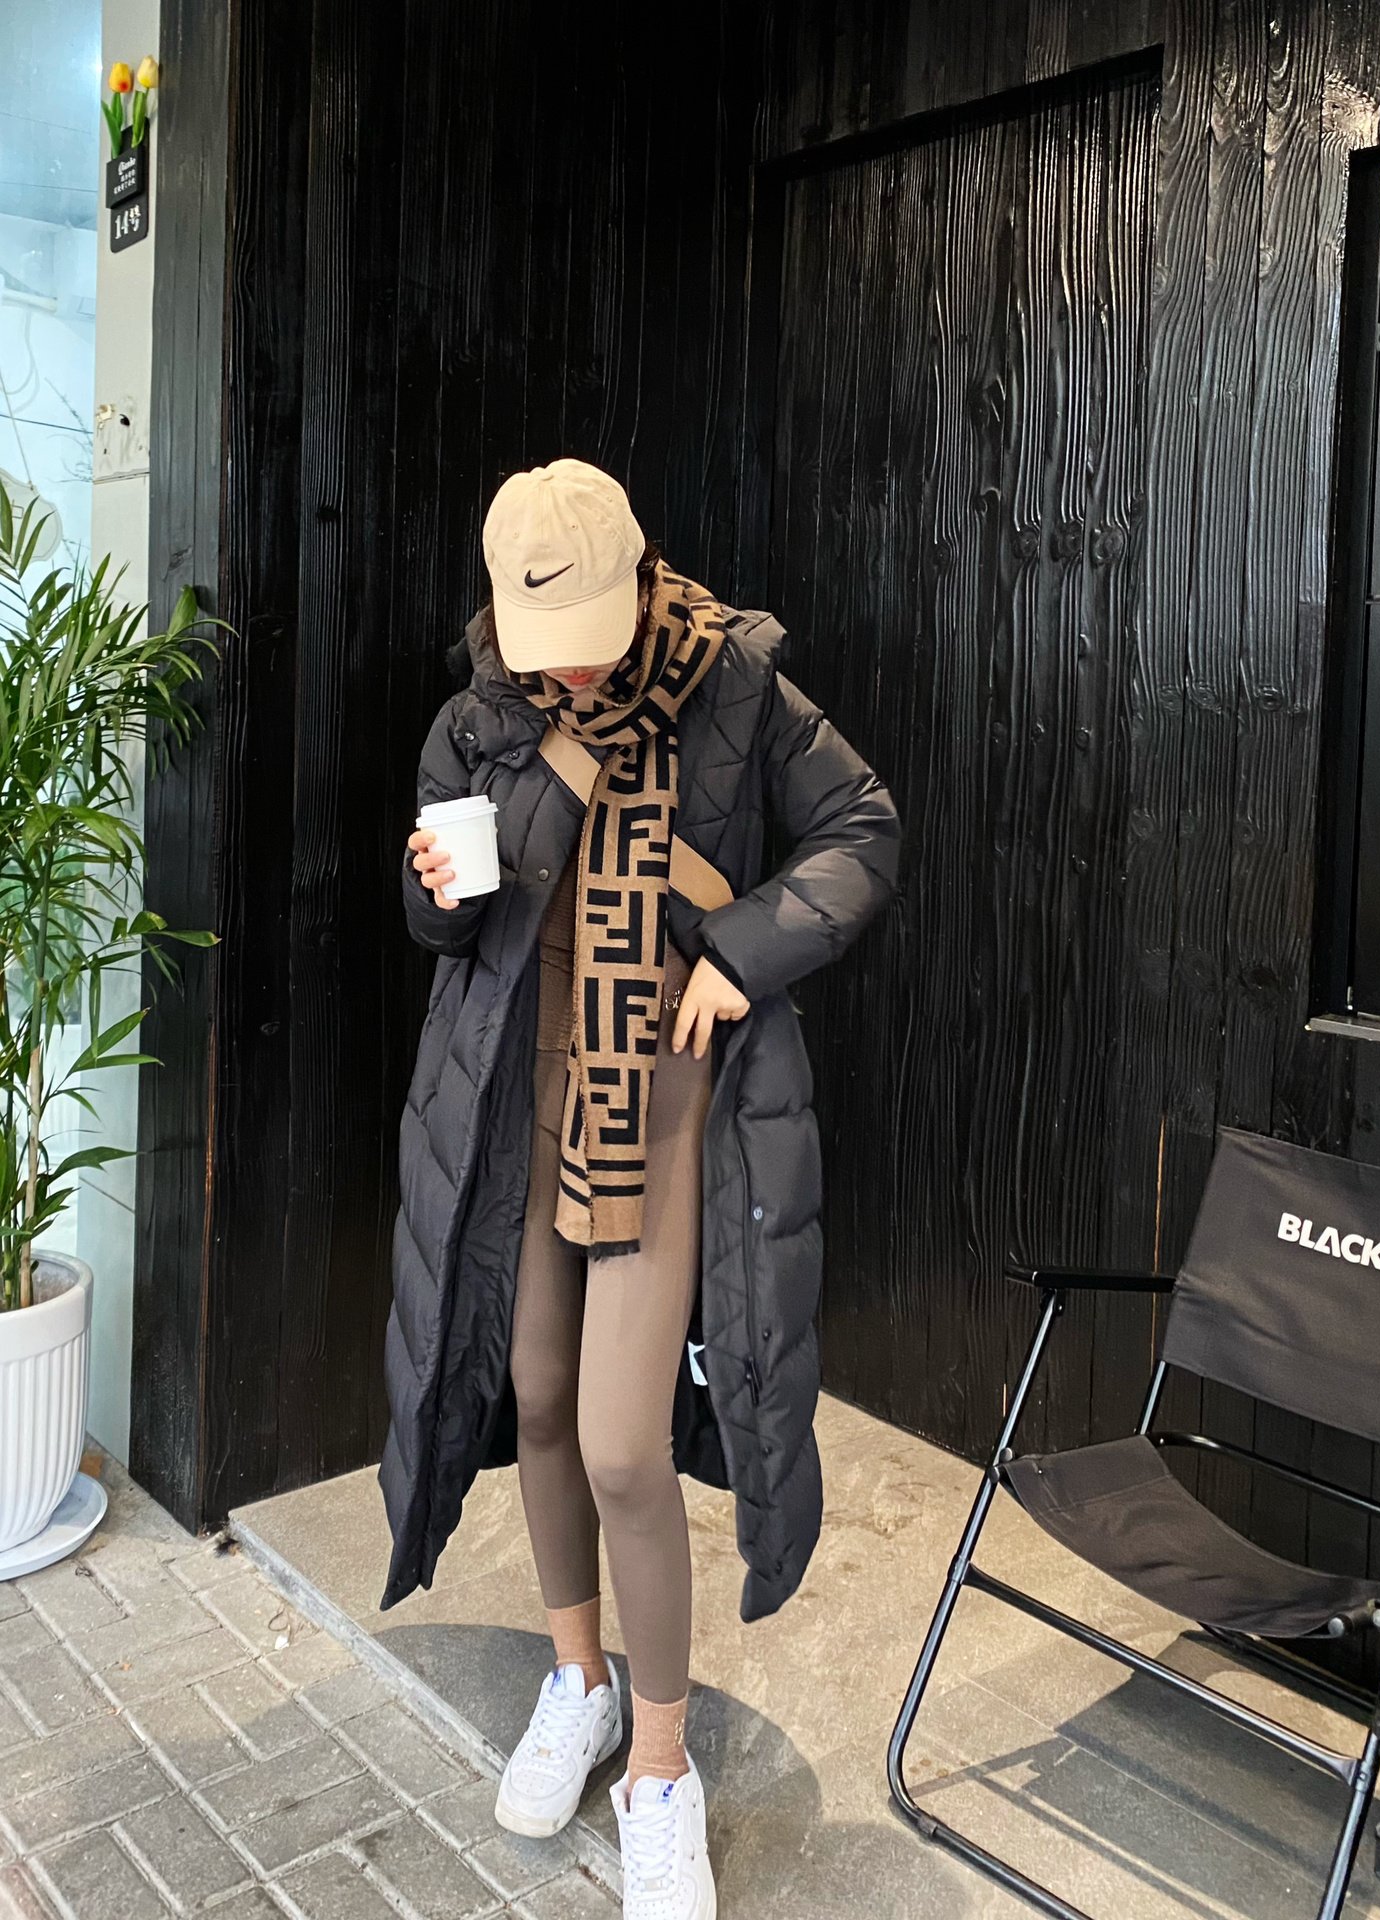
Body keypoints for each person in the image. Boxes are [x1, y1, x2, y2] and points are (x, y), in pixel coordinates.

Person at [380, 458, 900, 1919]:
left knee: (622, 1443)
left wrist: (742, 952)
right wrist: (437, 886)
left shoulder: (734, 683)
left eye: (591, 635)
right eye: (546, 641)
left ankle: (659, 1770)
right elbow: (435, 918)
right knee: (538, 1395)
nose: (573, 668)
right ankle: (579, 1681)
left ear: (637, 574)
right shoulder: (480, 716)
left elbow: (862, 832)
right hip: (514, 1096)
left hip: (664, 1098)